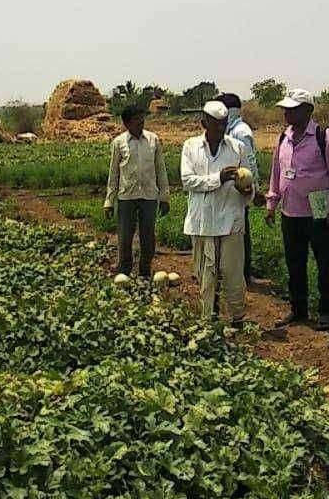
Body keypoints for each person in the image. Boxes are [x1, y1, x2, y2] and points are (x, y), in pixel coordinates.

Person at [264, 88, 329, 330]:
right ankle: (298, 309)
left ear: (308, 110)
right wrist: (272, 203)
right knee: (295, 263)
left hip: (319, 214)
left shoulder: (325, 137)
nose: (287, 113)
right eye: (285, 109)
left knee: (325, 264)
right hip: (290, 212)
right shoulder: (283, 138)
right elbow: (276, 174)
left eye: (293, 109)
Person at [181, 100, 255, 325]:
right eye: (215, 126)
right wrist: (219, 178)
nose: (220, 130)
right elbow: (188, 181)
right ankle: (208, 318)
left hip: (231, 219)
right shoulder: (190, 146)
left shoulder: (237, 147)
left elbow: (250, 182)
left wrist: (247, 190)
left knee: (233, 273)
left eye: (223, 125)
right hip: (203, 221)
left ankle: (237, 318)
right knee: (205, 273)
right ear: (204, 123)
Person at [104, 105, 170, 279]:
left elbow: (161, 170)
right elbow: (114, 174)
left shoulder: (153, 140)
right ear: (127, 123)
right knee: (125, 237)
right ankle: (124, 269)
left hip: (149, 196)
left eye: (142, 118)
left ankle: (144, 271)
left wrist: (164, 197)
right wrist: (109, 201)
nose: (141, 122)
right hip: (127, 197)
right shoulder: (119, 143)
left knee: (148, 236)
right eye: (136, 120)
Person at [216, 92, 259, 287]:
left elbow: (250, 163)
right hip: (225, 190)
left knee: (240, 232)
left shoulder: (241, 132)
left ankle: (243, 273)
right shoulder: (227, 130)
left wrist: (251, 189)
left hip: (239, 190)